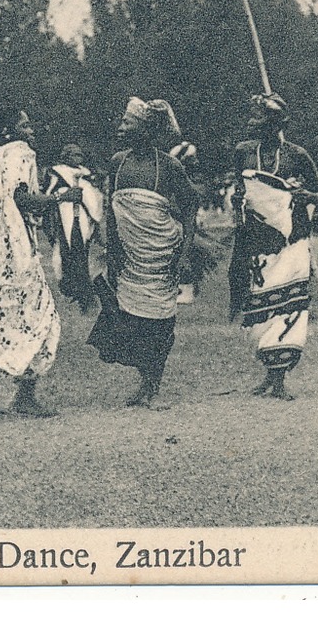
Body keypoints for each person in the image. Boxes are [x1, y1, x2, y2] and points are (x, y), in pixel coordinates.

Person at [87, 99, 198, 408]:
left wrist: (185, 252)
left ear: (147, 130)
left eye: (128, 123)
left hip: (162, 255)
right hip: (129, 257)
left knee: (160, 320)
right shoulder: (117, 162)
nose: (121, 128)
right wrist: (111, 249)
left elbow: (190, 205)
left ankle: (151, 384)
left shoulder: (169, 166)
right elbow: (113, 208)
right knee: (129, 317)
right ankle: (144, 377)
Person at [0, 107, 70, 420]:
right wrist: (61, 198)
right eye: (25, 125)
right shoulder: (20, 153)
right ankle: (24, 396)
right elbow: (19, 197)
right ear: (11, 130)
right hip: (14, 249)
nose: (31, 129)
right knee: (39, 317)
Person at [226, 92, 318, 400]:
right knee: (261, 307)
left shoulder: (296, 155)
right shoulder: (242, 151)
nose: (251, 122)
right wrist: (238, 199)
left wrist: (302, 196)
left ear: (276, 124)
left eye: (258, 118)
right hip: (255, 239)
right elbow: (239, 188)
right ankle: (269, 373)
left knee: (288, 308)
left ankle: (280, 378)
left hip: (291, 240)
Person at [43, 142, 102, 313]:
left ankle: (84, 290)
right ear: (66, 156)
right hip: (65, 218)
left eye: (80, 154)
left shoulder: (85, 174)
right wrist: (64, 194)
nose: (78, 158)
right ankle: (72, 287)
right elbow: (49, 194)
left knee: (82, 252)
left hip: (82, 218)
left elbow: (93, 196)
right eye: (74, 154)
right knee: (67, 251)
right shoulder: (57, 172)